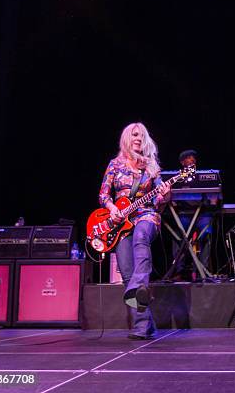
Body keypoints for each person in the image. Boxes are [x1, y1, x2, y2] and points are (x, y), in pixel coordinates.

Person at [99, 122, 171, 339]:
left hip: (147, 215)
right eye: (134, 135)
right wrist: (112, 209)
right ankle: (144, 326)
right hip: (120, 223)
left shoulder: (151, 167)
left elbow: (160, 199)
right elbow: (103, 195)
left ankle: (139, 285)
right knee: (127, 273)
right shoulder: (115, 165)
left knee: (141, 237)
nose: (138, 138)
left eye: (141, 135)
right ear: (127, 139)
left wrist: (166, 195)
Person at [170, 149, 214, 281]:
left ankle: (202, 270)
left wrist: (214, 199)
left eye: (193, 157)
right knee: (178, 234)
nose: (192, 160)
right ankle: (179, 270)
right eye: (189, 158)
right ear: (182, 162)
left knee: (207, 233)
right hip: (184, 213)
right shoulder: (176, 177)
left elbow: (214, 195)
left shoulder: (203, 176)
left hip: (202, 213)